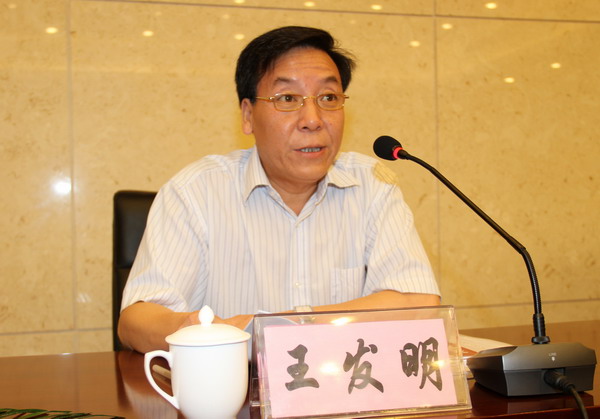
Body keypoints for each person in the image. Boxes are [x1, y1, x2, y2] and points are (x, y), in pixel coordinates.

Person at [118, 26, 440, 353]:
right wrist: (203, 334)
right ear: (248, 116)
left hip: (342, 382)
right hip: (235, 384)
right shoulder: (196, 192)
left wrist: (279, 327)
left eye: (328, 98)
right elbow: (136, 320)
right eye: (287, 99)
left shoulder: (372, 184)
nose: (313, 119)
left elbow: (418, 304)